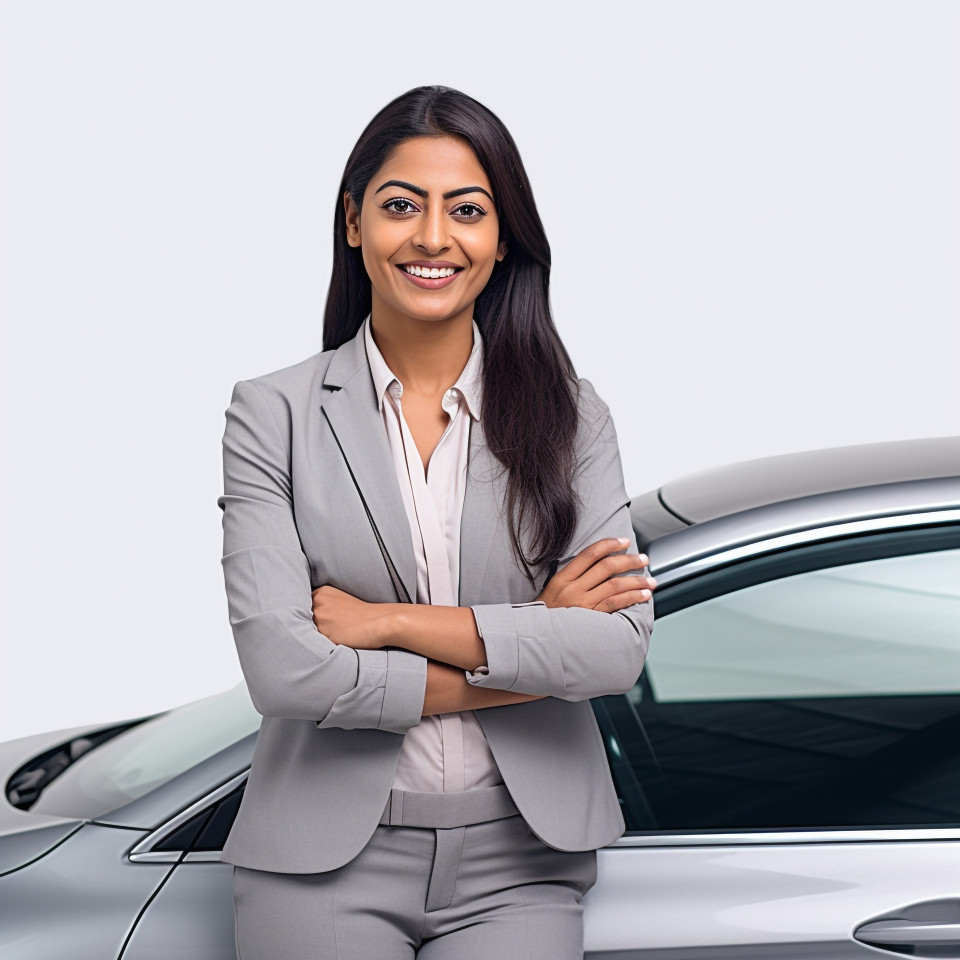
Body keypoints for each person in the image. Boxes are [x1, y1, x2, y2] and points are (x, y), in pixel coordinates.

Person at [217, 84, 657, 960]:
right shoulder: (273, 415)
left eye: (466, 210)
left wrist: (384, 624)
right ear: (354, 224)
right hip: (320, 861)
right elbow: (286, 674)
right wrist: (539, 643)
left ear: (502, 238)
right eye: (400, 206)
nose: (431, 237)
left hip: (522, 859)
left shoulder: (574, 418)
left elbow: (615, 650)